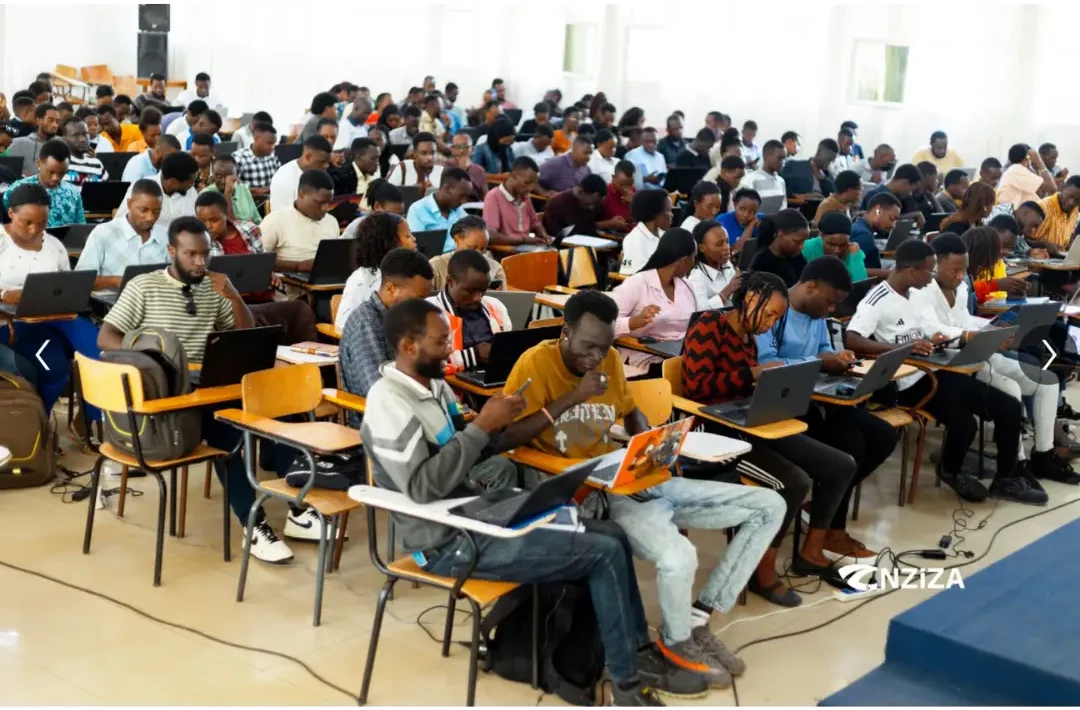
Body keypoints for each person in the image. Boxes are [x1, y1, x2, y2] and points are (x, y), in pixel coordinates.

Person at [363, 297, 697, 709]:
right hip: (445, 542)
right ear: (408, 346)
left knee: (612, 535)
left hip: (478, 515)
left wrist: (493, 427)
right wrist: (483, 427)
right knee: (603, 553)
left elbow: (468, 454)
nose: (451, 348)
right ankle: (628, 688)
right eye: (440, 341)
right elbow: (422, 488)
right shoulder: (387, 403)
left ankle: (639, 656)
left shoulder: (435, 387)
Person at [496, 288, 784, 687]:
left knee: (769, 505)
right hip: (594, 493)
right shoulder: (535, 362)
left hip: (631, 474)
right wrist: (572, 396)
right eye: (588, 346)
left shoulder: (610, 359)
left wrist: (648, 440)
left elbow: (630, 410)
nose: (596, 357)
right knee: (680, 554)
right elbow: (507, 437)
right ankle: (675, 643)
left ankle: (699, 620)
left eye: (605, 347)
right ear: (565, 332)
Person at [98, 216, 310, 560]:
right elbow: (106, 338)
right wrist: (153, 361)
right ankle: (254, 525)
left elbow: (243, 333)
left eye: (205, 254)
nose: (199, 262)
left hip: (209, 383)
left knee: (274, 413)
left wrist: (234, 296)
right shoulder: (144, 287)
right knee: (226, 432)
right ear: (171, 251)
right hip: (166, 392)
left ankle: (300, 506)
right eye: (191, 254)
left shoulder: (214, 289)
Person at [682, 271, 857, 602]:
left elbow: (746, 386)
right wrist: (753, 374)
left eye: (776, 316)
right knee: (793, 482)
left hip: (750, 421)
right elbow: (697, 387)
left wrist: (773, 388)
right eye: (769, 314)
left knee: (840, 465)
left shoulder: (747, 335)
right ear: (749, 300)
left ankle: (810, 554)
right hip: (714, 432)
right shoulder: (708, 326)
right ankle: (761, 572)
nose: (770, 323)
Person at [844, 239, 1040, 504]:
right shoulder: (877, 299)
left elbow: (927, 330)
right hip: (906, 382)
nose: (932, 277)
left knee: (1008, 407)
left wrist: (936, 339)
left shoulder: (913, 295)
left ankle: (1006, 479)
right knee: (965, 424)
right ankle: (951, 470)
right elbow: (852, 340)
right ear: (912, 270)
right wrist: (898, 348)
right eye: (929, 271)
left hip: (935, 370)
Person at [755, 256, 898, 555]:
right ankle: (833, 529)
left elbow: (823, 349)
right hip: (784, 402)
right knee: (852, 445)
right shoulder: (771, 312)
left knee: (885, 435)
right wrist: (819, 361)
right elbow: (766, 365)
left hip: (819, 395)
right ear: (810, 286)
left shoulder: (816, 314)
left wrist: (837, 357)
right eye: (831, 302)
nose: (832, 310)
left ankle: (822, 502)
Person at [911, 233, 1071, 487]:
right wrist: (976, 334)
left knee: (1048, 382)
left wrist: (993, 330)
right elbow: (932, 329)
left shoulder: (961, 286)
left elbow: (964, 322)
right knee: (1011, 389)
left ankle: (1043, 454)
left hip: (977, 352)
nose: (959, 276)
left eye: (963, 270)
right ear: (936, 264)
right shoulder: (921, 292)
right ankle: (1015, 464)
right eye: (954, 269)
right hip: (951, 364)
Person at [0, 183, 101, 414]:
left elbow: (65, 284)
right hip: (13, 321)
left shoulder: (54, 246)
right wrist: (5, 294)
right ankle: (41, 423)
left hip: (55, 316)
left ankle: (95, 419)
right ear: (11, 213)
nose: (35, 229)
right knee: (54, 370)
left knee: (98, 352)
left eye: (42, 222)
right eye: (27, 222)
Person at [340, 249, 435, 401]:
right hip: (383, 417)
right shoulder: (366, 323)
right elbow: (377, 389)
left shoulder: (405, 317)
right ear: (391, 289)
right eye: (419, 298)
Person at [611, 228, 698, 368]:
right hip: (646, 357)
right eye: (694, 257)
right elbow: (604, 325)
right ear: (684, 260)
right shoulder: (637, 284)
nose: (695, 262)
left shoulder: (687, 286)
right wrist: (632, 322)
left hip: (681, 354)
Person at [426, 250, 512, 373]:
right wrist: (474, 355)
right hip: (451, 386)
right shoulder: (429, 312)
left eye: (482, 291)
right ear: (450, 281)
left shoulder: (495, 307)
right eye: (470, 291)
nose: (478, 298)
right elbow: (426, 364)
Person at [335, 212, 417, 330]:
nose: (414, 239)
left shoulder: (411, 273)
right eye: (408, 236)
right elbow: (343, 324)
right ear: (389, 244)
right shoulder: (361, 279)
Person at [76, 179, 168, 281]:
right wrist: (117, 281)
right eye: (143, 210)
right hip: (112, 296)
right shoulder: (102, 233)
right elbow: (82, 279)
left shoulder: (165, 236)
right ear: (129, 204)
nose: (150, 217)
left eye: (156, 212)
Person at [261, 168, 338, 275]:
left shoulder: (332, 221)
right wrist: (298, 266)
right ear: (301, 194)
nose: (325, 208)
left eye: (329, 203)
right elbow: (257, 260)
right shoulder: (275, 220)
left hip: (327, 284)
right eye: (320, 203)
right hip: (288, 286)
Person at [4, 138, 84, 226]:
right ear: (39, 163)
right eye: (51, 172)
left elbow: (80, 226)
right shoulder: (18, 189)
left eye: (61, 173)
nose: (55, 178)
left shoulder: (73, 193)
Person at [115, 151, 199, 229]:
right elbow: (120, 223)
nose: (192, 185)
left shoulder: (191, 192)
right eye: (190, 182)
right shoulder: (142, 188)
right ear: (173, 182)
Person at [481, 157, 548, 246]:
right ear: (515, 176)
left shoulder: (524, 196)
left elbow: (535, 223)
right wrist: (523, 240)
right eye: (527, 183)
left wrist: (542, 233)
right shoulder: (493, 197)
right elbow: (491, 235)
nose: (531, 188)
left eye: (533, 184)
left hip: (525, 248)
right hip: (508, 251)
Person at [405, 168, 471, 249]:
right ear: (447, 188)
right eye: (461, 196)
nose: (464, 201)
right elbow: (417, 246)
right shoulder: (418, 210)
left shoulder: (459, 210)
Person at [268, 135, 332, 212]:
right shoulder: (283, 178)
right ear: (308, 157)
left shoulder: (321, 174)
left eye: (328, 162)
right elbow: (281, 216)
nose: (326, 166)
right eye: (322, 162)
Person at [748, 209, 810, 287]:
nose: (802, 246)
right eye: (797, 242)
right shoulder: (762, 264)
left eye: (804, 241)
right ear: (780, 233)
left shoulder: (798, 258)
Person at [688, 220, 739, 308]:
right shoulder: (696, 277)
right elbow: (699, 311)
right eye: (719, 244)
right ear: (701, 248)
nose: (726, 247)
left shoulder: (727, 265)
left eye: (727, 241)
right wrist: (727, 291)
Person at [802, 212, 868, 281]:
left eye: (843, 245)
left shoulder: (852, 250)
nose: (837, 250)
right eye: (831, 244)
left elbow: (861, 283)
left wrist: (855, 257)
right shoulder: (807, 248)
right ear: (821, 235)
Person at [621, 189, 673, 275]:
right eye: (669, 211)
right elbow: (629, 275)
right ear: (655, 213)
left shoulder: (665, 236)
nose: (672, 215)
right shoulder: (633, 240)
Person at [850, 191, 901, 273]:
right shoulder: (863, 235)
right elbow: (856, 272)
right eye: (892, 219)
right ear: (878, 211)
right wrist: (891, 273)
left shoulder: (859, 227)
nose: (893, 225)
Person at [541, 175, 608, 237]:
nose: (592, 207)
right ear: (580, 192)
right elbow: (556, 233)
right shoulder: (557, 203)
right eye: (591, 203)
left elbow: (588, 226)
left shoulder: (595, 204)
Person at [200, 155, 260, 224]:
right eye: (218, 176)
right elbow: (229, 225)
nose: (223, 181)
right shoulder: (206, 195)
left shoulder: (243, 189)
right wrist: (227, 193)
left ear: (236, 175)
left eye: (228, 177)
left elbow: (257, 219)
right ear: (213, 175)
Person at [997, 144, 1057, 209]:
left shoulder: (1015, 171)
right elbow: (1052, 187)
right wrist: (1039, 162)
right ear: (1027, 157)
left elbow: (1041, 193)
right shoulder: (1017, 170)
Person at [7, 103, 60, 176]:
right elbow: (6, 171)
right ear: (38, 120)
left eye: (57, 121)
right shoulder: (19, 143)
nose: (55, 125)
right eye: (50, 120)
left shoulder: (62, 144)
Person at [330, 137, 380, 208]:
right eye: (373, 158)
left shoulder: (374, 180)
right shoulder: (340, 178)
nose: (377, 163)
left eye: (378, 158)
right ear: (358, 156)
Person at [1032, 176, 1080, 250]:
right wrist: (1044, 244)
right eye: (1069, 196)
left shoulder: (1075, 209)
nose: (1072, 203)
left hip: (1061, 258)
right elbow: (1022, 240)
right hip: (1038, 258)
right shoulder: (1043, 208)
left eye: (1078, 200)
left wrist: (1070, 245)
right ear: (1061, 188)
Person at [233, 122, 281, 195]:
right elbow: (232, 185)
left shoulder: (274, 156)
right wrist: (255, 191)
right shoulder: (239, 158)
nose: (272, 147)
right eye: (269, 143)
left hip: (271, 201)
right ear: (256, 138)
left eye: (274, 143)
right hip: (247, 202)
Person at [737, 140, 786, 211]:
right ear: (765, 157)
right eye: (779, 158)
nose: (783, 162)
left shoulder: (781, 181)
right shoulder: (749, 180)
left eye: (784, 158)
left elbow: (783, 208)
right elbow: (740, 210)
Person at [58, 116, 106, 185]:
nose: (83, 139)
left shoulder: (97, 164)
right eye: (76, 135)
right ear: (64, 139)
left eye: (85, 134)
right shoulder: (59, 163)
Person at [445, 132, 487, 200]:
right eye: (457, 147)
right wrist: (462, 170)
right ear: (452, 149)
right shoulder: (445, 167)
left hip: (473, 207)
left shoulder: (478, 170)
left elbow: (485, 197)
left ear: (472, 149)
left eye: (465, 147)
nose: (461, 151)